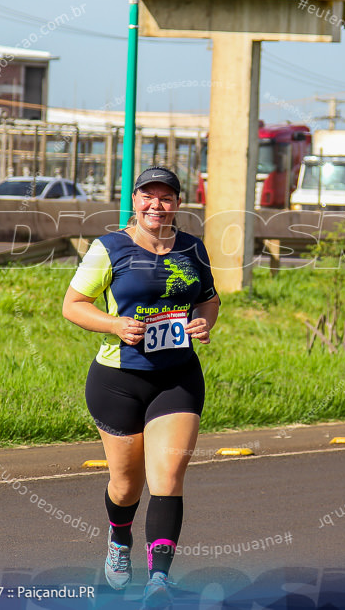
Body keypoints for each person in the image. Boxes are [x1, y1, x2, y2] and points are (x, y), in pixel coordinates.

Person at [62, 166, 220, 608]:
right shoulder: (109, 248)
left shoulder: (192, 247)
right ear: (134, 200)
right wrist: (115, 325)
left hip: (177, 377)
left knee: (168, 475)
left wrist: (205, 319)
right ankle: (118, 537)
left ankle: (159, 579)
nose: (156, 205)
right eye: (148, 196)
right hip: (119, 381)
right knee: (126, 485)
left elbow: (209, 296)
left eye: (165, 197)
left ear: (178, 203)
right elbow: (73, 306)